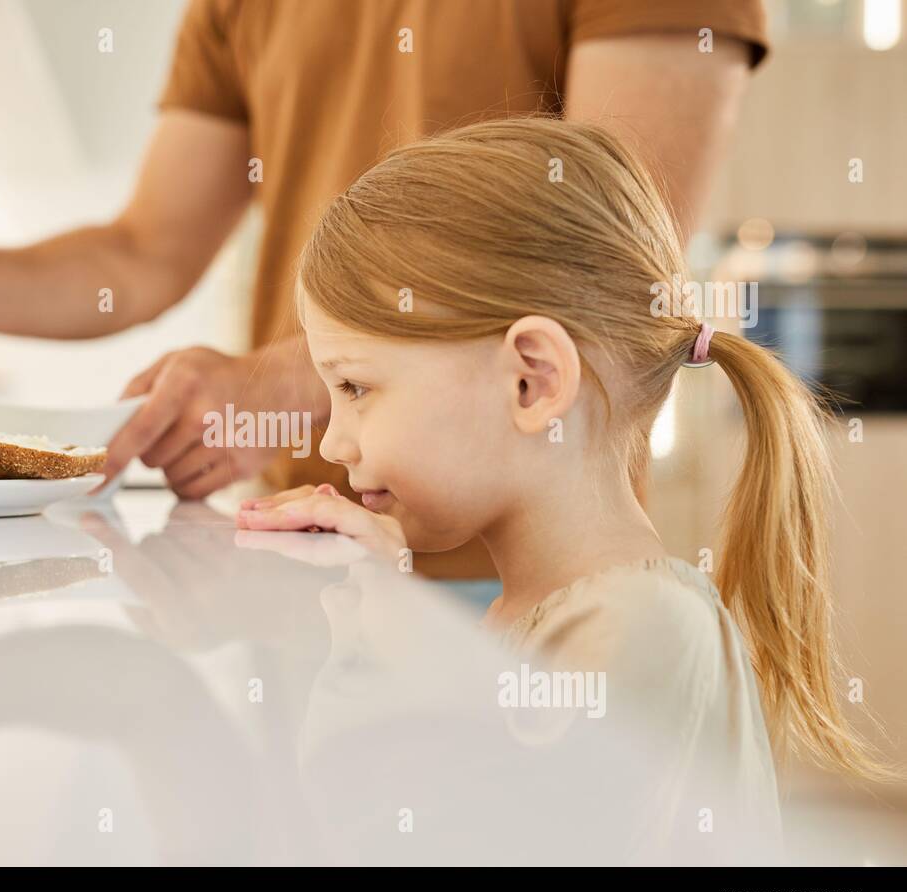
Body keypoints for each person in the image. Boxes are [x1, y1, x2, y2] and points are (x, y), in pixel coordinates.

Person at [0, 0, 768, 577]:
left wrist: (287, 381)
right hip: (307, 550)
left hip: (508, 569)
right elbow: (143, 250)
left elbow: (596, 252)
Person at [236, 117, 892, 783]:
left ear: (532, 381)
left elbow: (469, 827)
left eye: (355, 386)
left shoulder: (641, 627)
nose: (332, 442)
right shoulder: (532, 613)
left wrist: (394, 624)